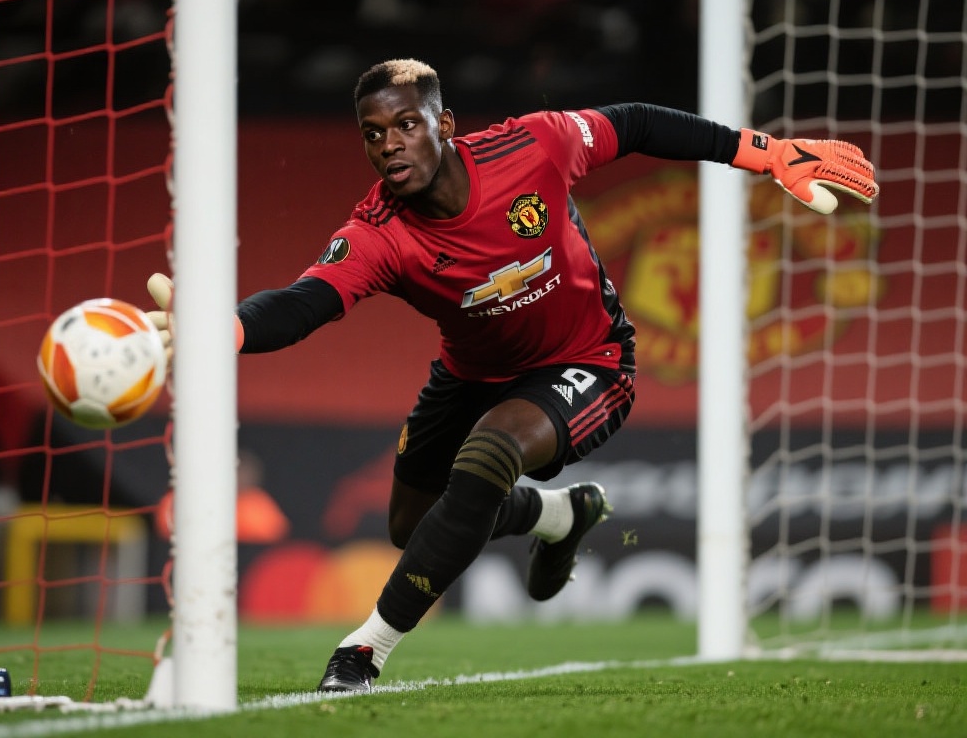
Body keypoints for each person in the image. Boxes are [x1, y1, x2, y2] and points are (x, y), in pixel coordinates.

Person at [146, 58, 877, 693]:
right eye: (373, 133)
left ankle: (365, 649)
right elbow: (307, 300)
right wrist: (225, 331)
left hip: (588, 362)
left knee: (490, 453)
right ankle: (557, 515)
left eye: (406, 125)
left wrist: (765, 153)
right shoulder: (379, 233)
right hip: (470, 376)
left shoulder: (533, 147)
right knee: (412, 527)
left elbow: (636, 124)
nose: (390, 144)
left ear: (444, 124)